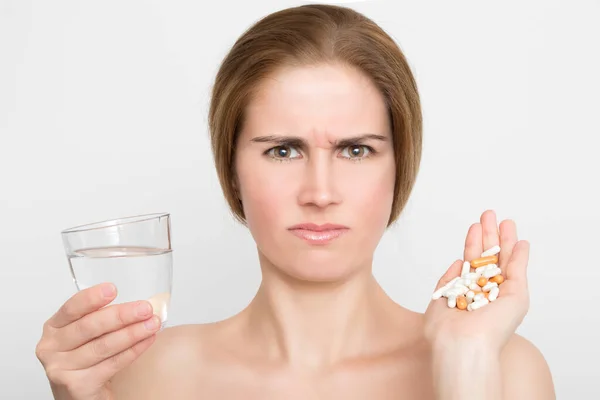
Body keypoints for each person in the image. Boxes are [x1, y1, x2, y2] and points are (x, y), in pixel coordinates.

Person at [35, 4, 555, 399]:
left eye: (356, 150)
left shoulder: (504, 370)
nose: (320, 193)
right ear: (232, 170)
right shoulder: (142, 376)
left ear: (400, 167)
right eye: (283, 151)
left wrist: (464, 369)